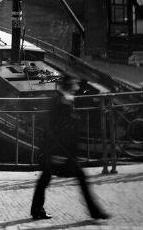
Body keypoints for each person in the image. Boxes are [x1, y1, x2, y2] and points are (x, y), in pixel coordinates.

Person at [31, 75, 109, 221]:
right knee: (78, 177)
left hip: (58, 151)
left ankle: (36, 210)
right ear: (68, 88)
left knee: (45, 179)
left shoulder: (61, 100)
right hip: (60, 151)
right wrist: (57, 153)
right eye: (73, 89)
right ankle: (94, 212)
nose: (74, 92)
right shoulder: (61, 102)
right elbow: (57, 129)